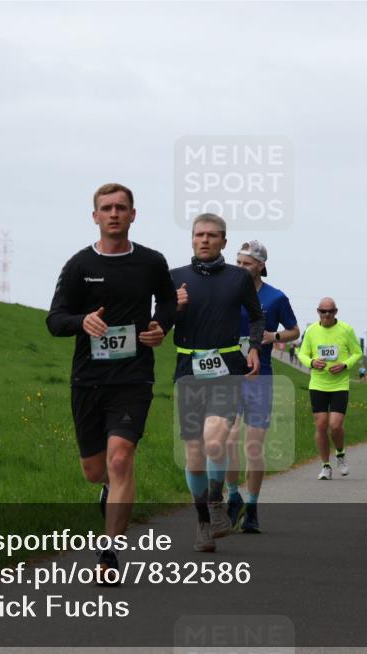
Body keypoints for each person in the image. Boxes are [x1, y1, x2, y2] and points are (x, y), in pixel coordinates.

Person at [46, 183, 177, 583]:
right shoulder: (79, 265)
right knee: (94, 470)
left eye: (121, 207)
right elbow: (55, 320)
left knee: (121, 458)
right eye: (107, 208)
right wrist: (80, 322)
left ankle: (108, 554)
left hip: (133, 376)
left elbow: (168, 302)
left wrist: (160, 327)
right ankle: (107, 490)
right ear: (95, 217)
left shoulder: (152, 262)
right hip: (88, 378)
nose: (114, 213)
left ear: (133, 215)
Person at [171, 213, 264, 552]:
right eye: (199, 235)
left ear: (224, 241)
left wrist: (254, 347)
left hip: (228, 367)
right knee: (193, 450)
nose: (205, 240)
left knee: (214, 441)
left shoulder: (238, 278)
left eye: (212, 235)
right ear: (192, 239)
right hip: (188, 368)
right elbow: (160, 322)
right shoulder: (175, 278)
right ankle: (203, 523)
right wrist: (174, 308)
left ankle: (215, 501)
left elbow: (256, 316)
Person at [222, 240, 300, 533]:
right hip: (229, 375)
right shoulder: (226, 291)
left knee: (254, 446)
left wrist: (274, 337)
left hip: (260, 376)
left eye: (247, 263)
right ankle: (233, 498)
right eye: (239, 262)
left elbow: (295, 330)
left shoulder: (275, 297)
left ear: (261, 266)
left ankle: (252, 507)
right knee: (228, 441)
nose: (242, 268)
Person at [297, 298, 362, 480]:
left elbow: (357, 352)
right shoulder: (311, 331)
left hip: (339, 384)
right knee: (321, 424)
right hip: (318, 384)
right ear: (318, 312)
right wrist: (311, 362)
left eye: (330, 311)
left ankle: (340, 454)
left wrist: (344, 365)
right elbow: (301, 353)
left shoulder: (346, 330)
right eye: (323, 311)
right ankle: (325, 465)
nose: (327, 315)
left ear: (336, 312)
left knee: (335, 425)